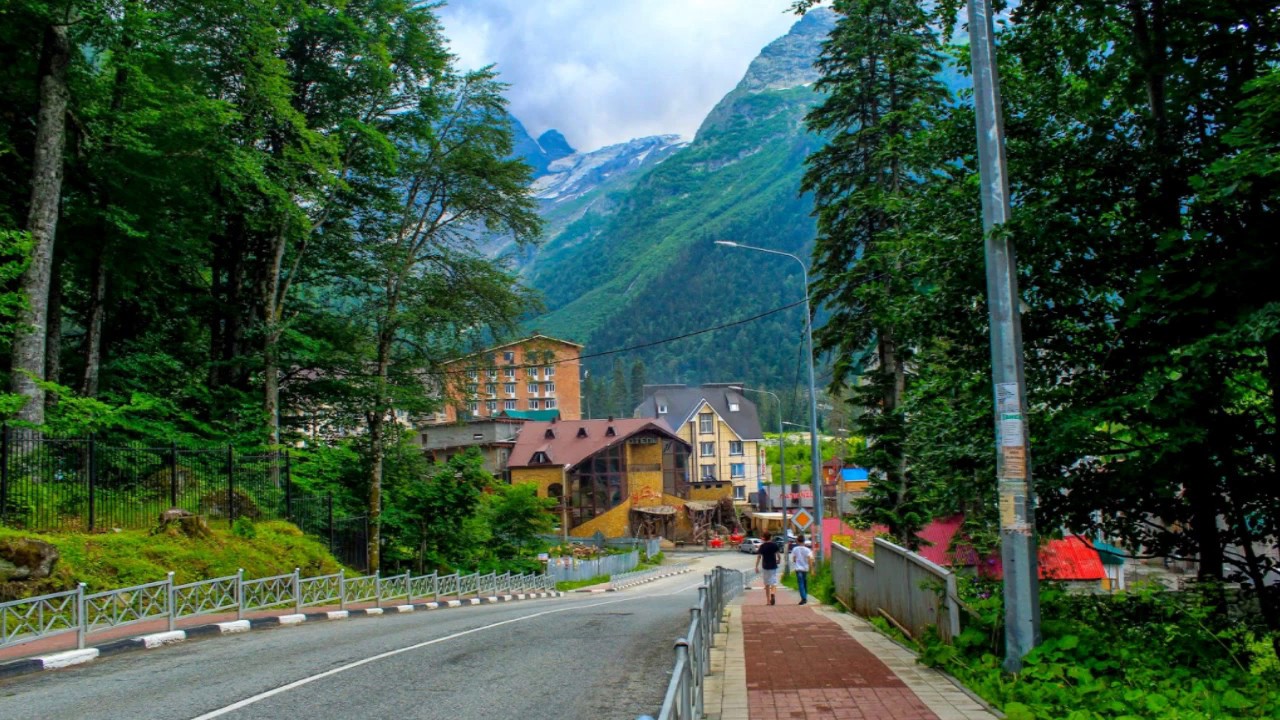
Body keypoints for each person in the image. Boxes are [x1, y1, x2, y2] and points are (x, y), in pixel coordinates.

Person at [755, 531, 781, 605]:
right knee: (774, 582)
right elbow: (778, 555)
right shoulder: (774, 545)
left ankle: (768, 601)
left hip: (765, 566)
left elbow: (759, 557)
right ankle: (773, 593)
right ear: (770, 537)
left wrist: (756, 566)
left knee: (767, 584)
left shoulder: (762, 546)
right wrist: (779, 560)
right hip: (773, 566)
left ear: (764, 538)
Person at [790, 535, 813, 605]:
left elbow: (793, 559)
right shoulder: (808, 550)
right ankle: (805, 597)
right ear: (804, 541)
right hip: (805, 569)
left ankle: (803, 598)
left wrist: (797, 560)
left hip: (798, 569)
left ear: (798, 541)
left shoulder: (795, 549)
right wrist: (811, 569)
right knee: (805, 583)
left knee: (801, 583)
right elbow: (810, 559)